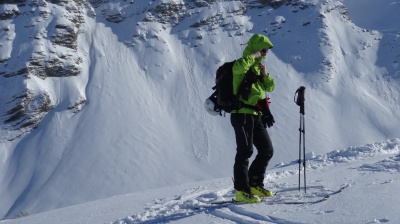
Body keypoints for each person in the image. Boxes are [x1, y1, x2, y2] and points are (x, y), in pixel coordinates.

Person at [231, 34, 275, 203]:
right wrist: (253, 56)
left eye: (266, 51)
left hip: (256, 115)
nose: (265, 53)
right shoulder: (243, 63)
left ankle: (255, 184)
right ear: (256, 49)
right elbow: (237, 69)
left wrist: (265, 74)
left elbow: (270, 87)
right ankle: (242, 191)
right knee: (245, 151)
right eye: (263, 50)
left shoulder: (257, 68)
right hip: (241, 114)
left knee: (266, 150)